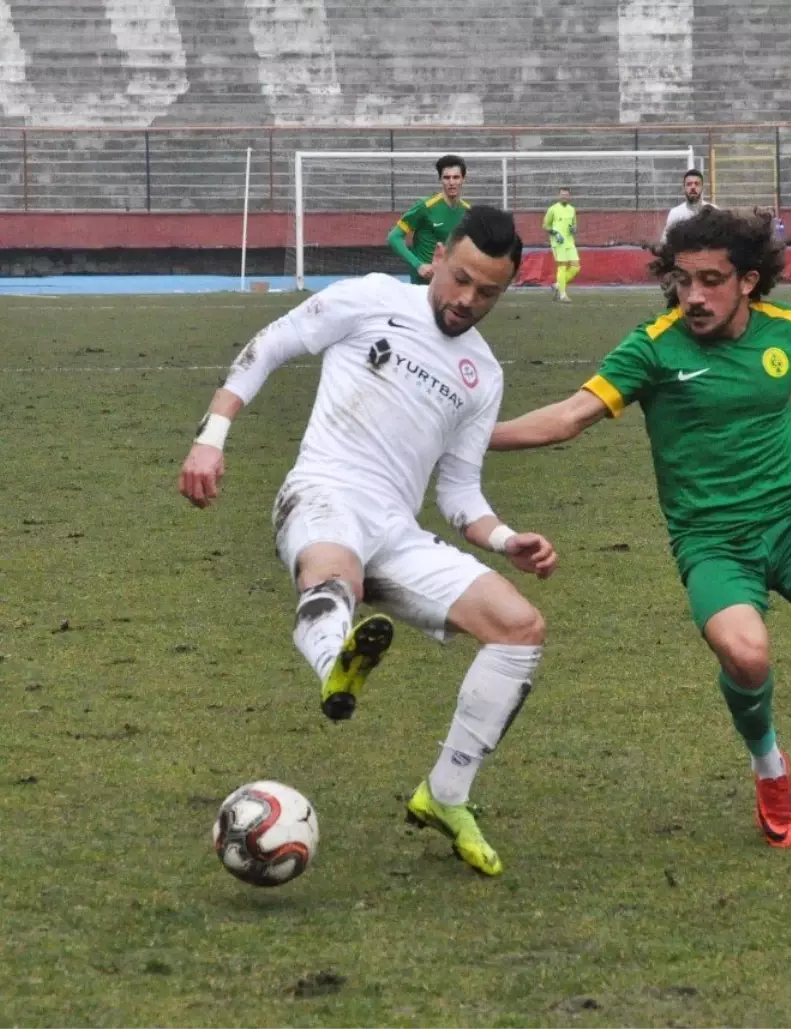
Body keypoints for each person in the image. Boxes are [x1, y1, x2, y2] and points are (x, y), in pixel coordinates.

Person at [490, 207, 791, 850]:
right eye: (683, 281)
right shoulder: (654, 347)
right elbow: (570, 416)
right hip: (710, 539)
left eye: (711, 280)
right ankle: (770, 770)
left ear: (747, 281)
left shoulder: (788, 334)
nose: (693, 297)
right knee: (746, 654)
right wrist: (474, 438)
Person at [179, 207, 555, 878]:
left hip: (398, 530)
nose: (467, 301)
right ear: (438, 257)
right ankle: (337, 666)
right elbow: (269, 346)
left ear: (506, 290)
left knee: (520, 627)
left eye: (487, 293)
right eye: (460, 279)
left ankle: (445, 795)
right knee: (335, 574)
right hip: (322, 493)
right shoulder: (372, 297)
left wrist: (505, 538)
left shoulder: (484, 375)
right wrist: (211, 438)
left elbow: (460, 493)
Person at [387, 154, 470, 285]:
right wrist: (418, 265)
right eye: (446, 177)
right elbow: (394, 237)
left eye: (456, 177)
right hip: (422, 286)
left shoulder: (467, 211)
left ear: (463, 179)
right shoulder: (425, 206)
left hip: (448, 285)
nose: (451, 182)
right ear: (440, 180)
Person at [543, 186, 579, 302]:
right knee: (562, 267)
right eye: (562, 194)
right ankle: (563, 295)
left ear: (569, 197)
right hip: (558, 243)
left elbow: (574, 225)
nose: (564, 196)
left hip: (569, 242)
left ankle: (557, 285)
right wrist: (555, 233)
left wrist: (573, 229)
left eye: (566, 195)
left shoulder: (572, 209)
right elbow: (545, 225)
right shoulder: (552, 209)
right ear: (559, 196)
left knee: (575, 267)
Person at [661, 168, 711, 242]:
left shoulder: (712, 211)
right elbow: (665, 242)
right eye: (689, 184)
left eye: (697, 184)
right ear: (684, 188)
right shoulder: (675, 213)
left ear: (702, 188)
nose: (693, 187)